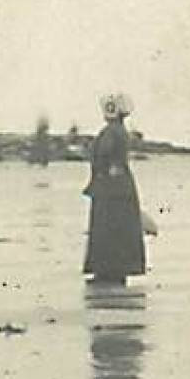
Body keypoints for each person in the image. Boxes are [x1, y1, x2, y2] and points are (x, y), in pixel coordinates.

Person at [82, 93, 147, 284]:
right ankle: (114, 270)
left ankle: (108, 271)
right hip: (118, 186)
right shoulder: (119, 131)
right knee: (118, 229)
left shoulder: (111, 132)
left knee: (108, 228)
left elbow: (104, 154)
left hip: (110, 188)